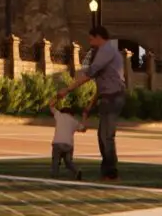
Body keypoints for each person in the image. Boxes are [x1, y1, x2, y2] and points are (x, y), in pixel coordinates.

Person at [83, 23, 128, 181]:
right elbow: (101, 85)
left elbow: (90, 72)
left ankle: (111, 172)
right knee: (103, 135)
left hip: (114, 96)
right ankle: (107, 171)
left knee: (107, 135)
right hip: (107, 97)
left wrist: (67, 90)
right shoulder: (103, 52)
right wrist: (90, 104)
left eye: (91, 39)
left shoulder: (107, 50)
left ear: (98, 37)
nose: (89, 42)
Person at [47, 78, 93, 179]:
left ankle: (54, 175)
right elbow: (84, 128)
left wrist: (58, 97)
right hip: (68, 145)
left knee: (56, 160)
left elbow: (50, 105)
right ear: (71, 114)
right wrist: (85, 116)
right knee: (68, 162)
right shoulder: (74, 121)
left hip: (58, 143)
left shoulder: (59, 115)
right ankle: (76, 171)